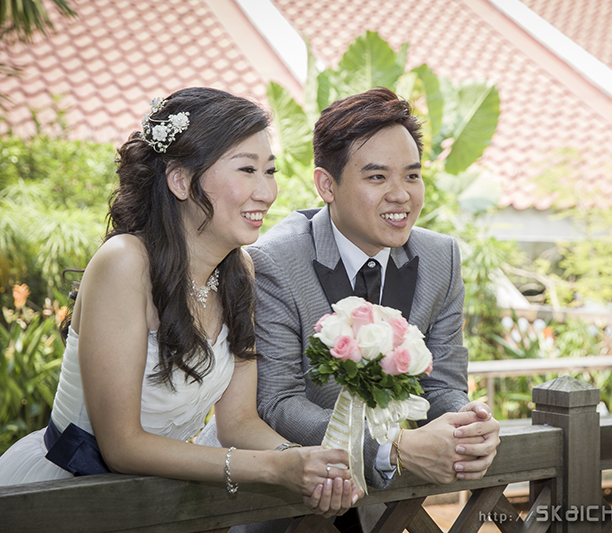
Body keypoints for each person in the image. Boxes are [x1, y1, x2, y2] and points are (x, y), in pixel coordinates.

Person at [0, 87, 360, 518]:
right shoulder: (124, 263)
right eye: (247, 170)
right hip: (69, 495)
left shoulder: (241, 271)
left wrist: (303, 459)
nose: (266, 191)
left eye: (270, 171)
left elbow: (237, 422)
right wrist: (274, 468)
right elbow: (121, 446)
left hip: (160, 502)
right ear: (180, 180)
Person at [199, 87, 500, 532]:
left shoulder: (442, 259)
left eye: (412, 176)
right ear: (327, 185)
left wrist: (468, 422)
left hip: (381, 509)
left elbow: (442, 384)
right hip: (275, 504)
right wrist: (391, 447)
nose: (401, 195)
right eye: (377, 177)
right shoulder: (272, 261)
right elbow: (278, 403)